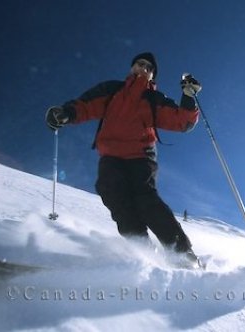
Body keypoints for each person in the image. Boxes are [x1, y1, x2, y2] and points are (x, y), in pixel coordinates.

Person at [45, 52, 203, 268]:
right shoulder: (112, 90)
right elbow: (86, 106)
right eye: (140, 64)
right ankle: (143, 252)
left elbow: (181, 121)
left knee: (144, 198)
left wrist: (188, 96)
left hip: (140, 155)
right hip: (111, 156)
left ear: (152, 76)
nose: (144, 69)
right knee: (113, 193)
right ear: (132, 67)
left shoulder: (153, 99)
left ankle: (183, 255)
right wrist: (66, 113)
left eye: (149, 68)